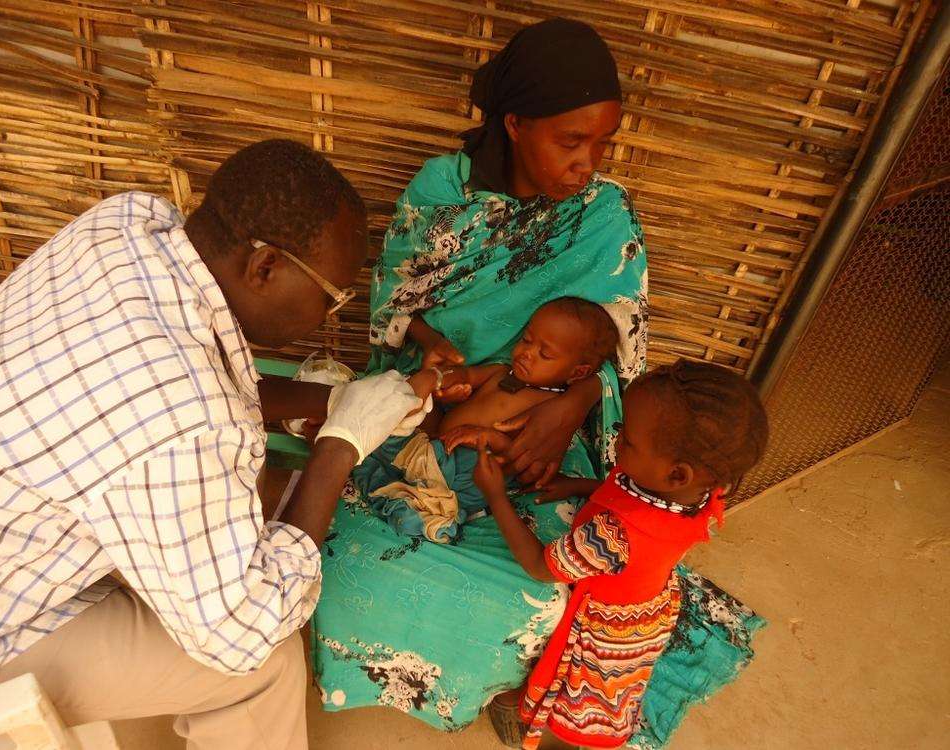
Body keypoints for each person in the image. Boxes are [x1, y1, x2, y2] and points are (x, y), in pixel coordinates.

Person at [311, 19, 765, 746]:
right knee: (352, 550)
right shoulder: (441, 194)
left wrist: (572, 405)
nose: (589, 164)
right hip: (437, 404)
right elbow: (397, 310)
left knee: (554, 585)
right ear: (515, 124)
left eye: (602, 145)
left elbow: (622, 349)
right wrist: (439, 356)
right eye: (571, 142)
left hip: (561, 427)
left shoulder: (604, 214)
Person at [0, 139, 425, 750]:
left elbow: (192, 372)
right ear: (265, 268)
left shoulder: (125, 224)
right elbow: (240, 632)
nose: (333, 313)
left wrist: (335, 403)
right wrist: (340, 444)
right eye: (332, 295)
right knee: (265, 663)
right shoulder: (187, 421)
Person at [470, 359, 769, 748]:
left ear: (676, 474)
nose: (618, 436)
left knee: (574, 693)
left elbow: (541, 567)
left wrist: (495, 495)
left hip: (603, 628)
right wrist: (581, 486)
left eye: (627, 440)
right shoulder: (699, 493)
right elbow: (632, 494)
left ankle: (534, 719)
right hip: (650, 598)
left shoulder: (614, 536)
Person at [354, 298, 619, 542]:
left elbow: (522, 464)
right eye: (526, 340)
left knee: (427, 489)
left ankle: (425, 513)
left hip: (468, 475)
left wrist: (489, 438)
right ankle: (385, 477)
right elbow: (467, 376)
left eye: (545, 354)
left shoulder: (547, 410)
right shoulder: (503, 372)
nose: (527, 352)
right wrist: (443, 382)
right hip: (436, 447)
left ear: (578, 372)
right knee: (391, 426)